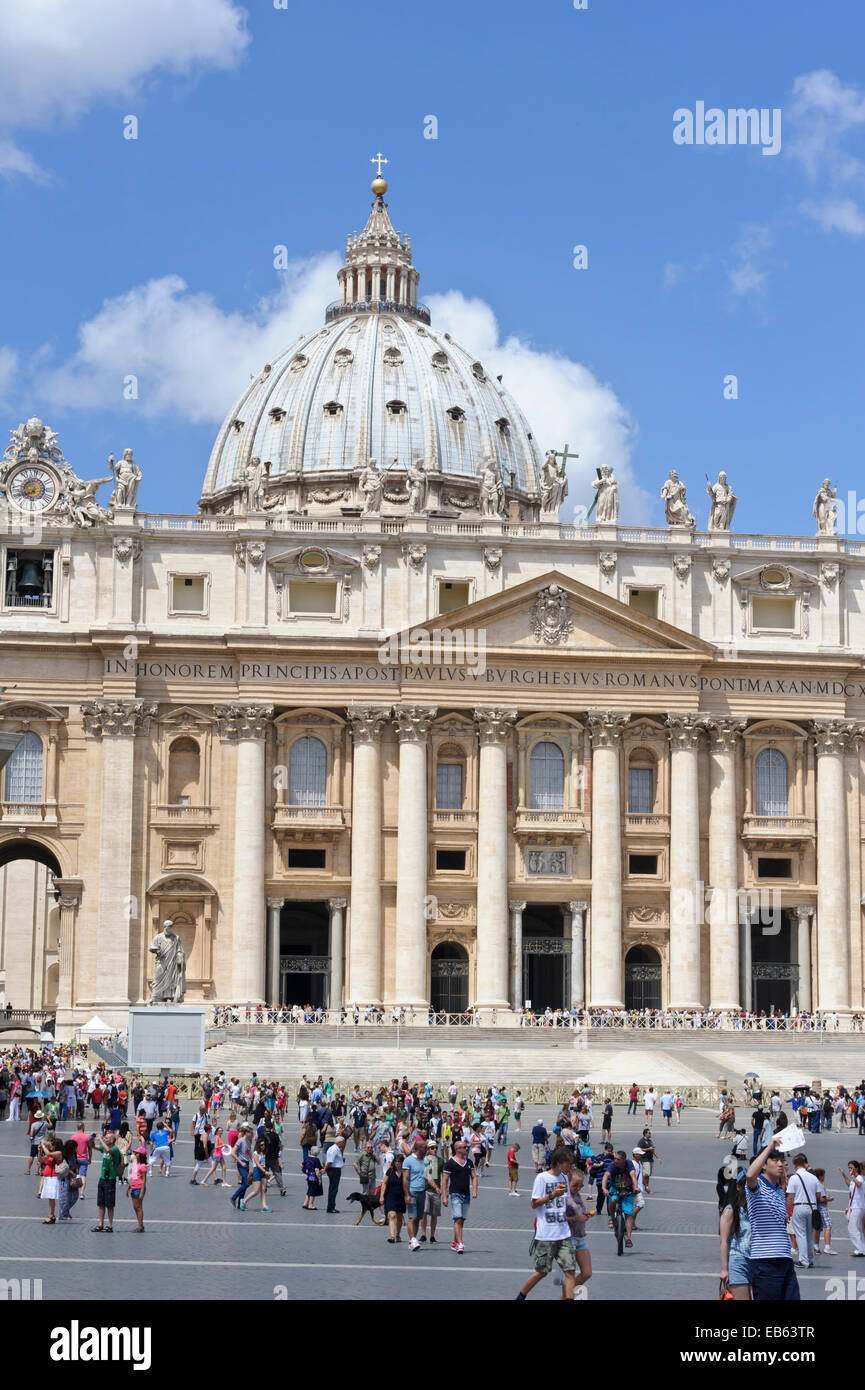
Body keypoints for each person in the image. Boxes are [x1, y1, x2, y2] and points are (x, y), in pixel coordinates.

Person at [515, 1147, 576, 1300]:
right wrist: (552, 1195)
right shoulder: (542, 1178)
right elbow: (534, 1204)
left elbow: (566, 1202)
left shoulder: (564, 1178)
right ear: (559, 1163)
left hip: (563, 1233)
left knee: (570, 1271)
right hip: (546, 1234)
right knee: (542, 1272)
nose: (571, 1167)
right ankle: (521, 1296)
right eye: (568, 1164)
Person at [745, 1137, 800, 1300]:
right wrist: (769, 1147)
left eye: (782, 1161)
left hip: (785, 1258)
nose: (780, 1164)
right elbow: (749, 1175)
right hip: (765, 1261)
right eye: (775, 1160)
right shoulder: (757, 1187)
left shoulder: (778, 1190)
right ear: (763, 1165)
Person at [718, 1168, 752, 1300]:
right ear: (738, 1187)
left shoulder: (754, 1209)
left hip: (756, 1262)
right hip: (738, 1261)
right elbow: (724, 1241)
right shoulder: (730, 1210)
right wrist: (724, 1269)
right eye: (746, 1186)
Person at [404, 1136, 441, 1251]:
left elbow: (428, 1176)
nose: (427, 1149)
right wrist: (407, 1194)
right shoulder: (408, 1160)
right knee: (412, 1218)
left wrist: (435, 1187)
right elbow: (405, 1179)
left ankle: (413, 1240)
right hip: (412, 1191)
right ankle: (413, 1240)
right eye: (425, 1147)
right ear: (418, 1148)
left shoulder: (425, 1161)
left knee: (418, 1218)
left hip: (422, 1192)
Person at [442, 1138, 478, 1253]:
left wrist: (475, 1190)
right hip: (455, 1194)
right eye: (464, 1147)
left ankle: (455, 1242)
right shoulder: (450, 1163)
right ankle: (460, 1243)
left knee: (461, 1220)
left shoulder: (469, 1162)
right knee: (457, 1219)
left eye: (466, 1147)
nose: (466, 1149)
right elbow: (445, 1180)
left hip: (466, 1194)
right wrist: (445, 1196)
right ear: (457, 1149)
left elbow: (474, 1176)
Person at [787, 1153, 821, 1269]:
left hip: (799, 1206)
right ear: (804, 1164)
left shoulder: (793, 1178)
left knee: (800, 1234)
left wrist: (787, 1212)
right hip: (812, 1207)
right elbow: (818, 1194)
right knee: (809, 1234)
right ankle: (810, 1260)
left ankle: (803, 1260)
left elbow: (790, 1197)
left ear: (795, 1165)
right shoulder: (813, 1177)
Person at [602, 1149, 639, 1247]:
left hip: (628, 1189)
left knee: (628, 1214)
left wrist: (635, 1187)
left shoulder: (629, 1164)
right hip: (615, 1188)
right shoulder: (613, 1165)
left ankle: (629, 1238)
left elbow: (633, 1175)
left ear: (624, 1160)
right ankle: (612, 1217)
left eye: (618, 1159)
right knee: (613, 1200)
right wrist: (604, 1188)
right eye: (615, 1159)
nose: (615, 1161)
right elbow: (606, 1175)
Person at [566, 1165, 593, 1293]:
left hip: (581, 1238)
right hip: (568, 1239)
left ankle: (565, 1296)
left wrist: (585, 1216)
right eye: (575, 1185)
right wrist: (576, 1219)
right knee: (569, 1276)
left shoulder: (577, 1196)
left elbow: (578, 1214)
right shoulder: (564, 1197)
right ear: (568, 1182)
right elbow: (558, 1218)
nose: (577, 1188)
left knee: (587, 1273)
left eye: (580, 1186)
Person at [91, 1130, 122, 1233]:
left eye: (107, 1138)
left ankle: (110, 1225)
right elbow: (93, 1146)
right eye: (104, 1138)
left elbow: (109, 1150)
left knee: (109, 1204)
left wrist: (100, 1139)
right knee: (101, 1203)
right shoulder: (104, 1149)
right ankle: (100, 1224)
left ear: (113, 1140)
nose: (105, 1139)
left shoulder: (115, 1149)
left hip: (110, 1179)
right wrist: (90, 1138)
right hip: (102, 1178)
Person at [420, 1139, 444, 1243]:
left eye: (436, 1148)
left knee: (434, 1214)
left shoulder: (440, 1161)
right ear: (428, 1149)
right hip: (425, 1189)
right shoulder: (424, 1160)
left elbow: (444, 1176)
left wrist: (444, 1189)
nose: (435, 1150)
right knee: (424, 1212)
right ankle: (423, 1234)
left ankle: (432, 1236)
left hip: (436, 1191)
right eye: (432, 1148)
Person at [839, 1160, 865, 1256]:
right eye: (849, 1168)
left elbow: (859, 1184)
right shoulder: (855, 1179)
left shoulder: (859, 1178)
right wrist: (844, 1175)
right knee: (857, 1228)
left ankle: (859, 1250)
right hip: (854, 1206)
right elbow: (850, 1184)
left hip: (858, 1207)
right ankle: (862, 1249)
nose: (850, 1169)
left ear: (856, 1168)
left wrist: (853, 1176)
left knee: (852, 1228)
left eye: (851, 1168)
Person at [381, 1151, 407, 1242]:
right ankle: (391, 1236)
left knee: (399, 1217)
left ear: (402, 1162)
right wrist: (381, 1196)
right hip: (391, 1196)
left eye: (399, 1161)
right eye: (396, 1161)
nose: (397, 1163)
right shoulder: (390, 1171)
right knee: (392, 1215)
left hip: (401, 1197)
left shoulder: (405, 1172)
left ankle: (398, 1234)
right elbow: (384, 1183)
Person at [39, 1131, 64, 1224]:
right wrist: (39, 1151)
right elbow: (41, 1160)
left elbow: (49, 1155)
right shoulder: (51, 1152)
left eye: (52, 1145)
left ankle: (51, 1215)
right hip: (48, 1177)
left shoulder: (58, 1153)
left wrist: (44, 1146)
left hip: (54, 1177)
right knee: (50, 1197)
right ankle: (51, 1215)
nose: (51, 1146)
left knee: (52, 1197)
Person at [812, 1168, 836, 1256]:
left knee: (817, 1228)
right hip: (822, 1209)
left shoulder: (814, 1184)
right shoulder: (820, 1185)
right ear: (821, 1176)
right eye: (823, 1176)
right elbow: (821, 1199)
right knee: (828, 1226)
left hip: (816, 1208)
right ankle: (827, 1247)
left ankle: (816, 1246)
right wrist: (829, 1199)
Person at [323, 1134, 346, 1213]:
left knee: (333, 1189)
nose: (343, 1144)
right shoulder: (334, 1149)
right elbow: (330, 1161)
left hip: (334, 1169)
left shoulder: (335, 1148)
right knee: (333, 1189)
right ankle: (330, 1207)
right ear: (339, 1142)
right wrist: (325, 1169)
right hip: (334, 1170)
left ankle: (331, 1205)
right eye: (343, 1142)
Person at [127, 1146, 148, 1232]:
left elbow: (144, 1180)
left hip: (139, 1188)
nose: (135, 1154)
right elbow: (133, 1177)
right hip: (134, 1187)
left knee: (138, 1208)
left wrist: (141, 1193)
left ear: (141, 1155)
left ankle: (140, 1226)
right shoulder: (135, 1164)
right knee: (135, 1207)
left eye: (136, 1153)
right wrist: (129, 1188)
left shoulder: (143, 1166)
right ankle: (140, 1225)